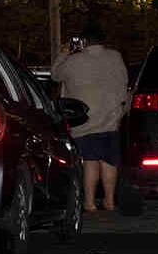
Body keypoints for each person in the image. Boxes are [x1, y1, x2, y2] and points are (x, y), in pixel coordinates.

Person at [52, 19, 130, 211]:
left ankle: (89, 203)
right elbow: (124, 82)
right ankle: (110, 201)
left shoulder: (73, 61)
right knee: (109, 161)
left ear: (84, 41)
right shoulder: (115, 57)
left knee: (90, 162)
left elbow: (55, 75)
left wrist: (63, 54)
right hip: (111, 119)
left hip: (84, 120)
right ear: (103, 40)